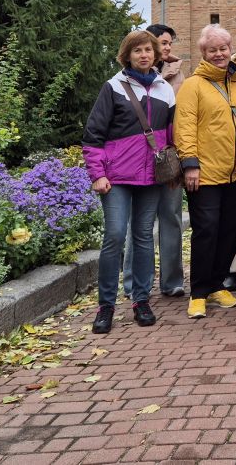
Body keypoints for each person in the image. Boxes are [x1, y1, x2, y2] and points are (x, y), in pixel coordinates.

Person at [83, 30, 176, 333]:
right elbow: (94, 134)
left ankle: (141, 300)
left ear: (155, 54)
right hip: (117, 177)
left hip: (151, 176)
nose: (144, 55)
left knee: (144, 236)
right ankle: (106, 305)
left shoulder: (165, 90)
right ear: (127, 55)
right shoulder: (113, 87)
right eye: (137, 50)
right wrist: (97, 174)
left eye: (148, 49)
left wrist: (174, 169)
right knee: (114, 235)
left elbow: (172, 134)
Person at [174, 24, 236, 319]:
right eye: (213, 50)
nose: (219, 54)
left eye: (223, 48)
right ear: (203, 52)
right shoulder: (193, 86)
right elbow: (184, 126)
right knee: (206, 231)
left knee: (229, 230)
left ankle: (217, 284)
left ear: (230, 49)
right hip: (205, 173)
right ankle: (198, 292)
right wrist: (190, 164)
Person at [120, 24, 185, 301]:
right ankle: (133, 283)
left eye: (168, 43)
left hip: (168, 156)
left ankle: (172, 281)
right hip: (139, 159)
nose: (166, 47)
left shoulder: (178, 75)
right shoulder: (127, 79)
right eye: (161, 42)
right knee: (139, 222)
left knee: (171, 217)